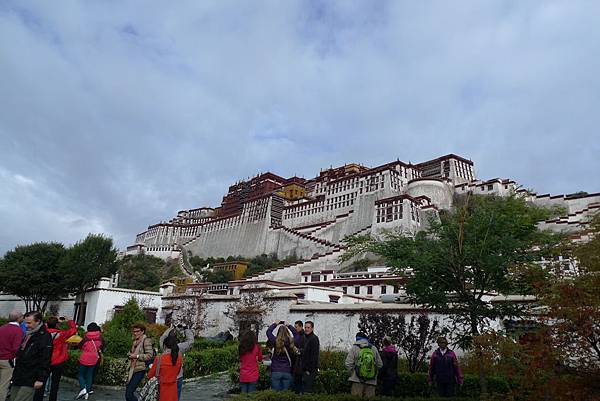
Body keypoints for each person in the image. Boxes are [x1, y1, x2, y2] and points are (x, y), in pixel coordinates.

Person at [9, 311, 52, 401]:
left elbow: (45, 358)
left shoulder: (44, 336)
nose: (26, 325)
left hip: (31, 376)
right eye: (25, 322)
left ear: (38, 321)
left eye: (29, 323)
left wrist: (41, 378)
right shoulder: (29, 333)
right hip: (19, 375)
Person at [33, 316, 77, 401]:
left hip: (45, 360)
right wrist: (69, 321)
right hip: (58, 361)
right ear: (57, 324)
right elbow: (73, 330)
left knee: (41, 381)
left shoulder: (43, 334)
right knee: (55, 384)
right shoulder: (62, 334)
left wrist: (51, 322)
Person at [159, 324, 194, 400]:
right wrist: (186, 329)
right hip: (178, 377)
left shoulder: (163, 347)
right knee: (175, 398)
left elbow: (163, 337)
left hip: (165, 377)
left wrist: (171, 328)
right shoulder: (180, 347)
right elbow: (190, 341)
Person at [344, 331, 383, 398]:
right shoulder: (373, 348)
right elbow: (380, 364)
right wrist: (372, 373)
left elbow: (348, 363)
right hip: (371, 382)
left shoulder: (355, 347)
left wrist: (353, 373)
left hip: (357, 381)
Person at [266, 321, 298, 391]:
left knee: (276, 394)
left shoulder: (275, 341)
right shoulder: (291, 342)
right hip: (287, 371)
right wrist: (289, 326)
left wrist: (275, 324)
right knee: (285, 394)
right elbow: (296, 335)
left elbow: (268, 332)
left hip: (276, 370)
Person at [147, 336, 182, 401]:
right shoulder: (179, 359)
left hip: (162, 390)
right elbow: (177, 373)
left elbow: (150, 375)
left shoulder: (159, 359)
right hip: (173, 390)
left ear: (164, 346)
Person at [125, 323, 154, 401]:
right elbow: (133, 353)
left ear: (142, 331)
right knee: (128, 393)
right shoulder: (135, 342)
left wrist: (136, 356)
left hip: (141, 369)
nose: (135, 333)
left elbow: (149, 355)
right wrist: (130, 354)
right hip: (133, 369)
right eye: (134, 331)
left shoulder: (146, 341)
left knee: (129, 394)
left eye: (137, 331)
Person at [0, 311, 23, 401]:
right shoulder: (18, 330)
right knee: (4, 385)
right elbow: (16, 348)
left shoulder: (2, 328)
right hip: (7, 360)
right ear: (19, 318)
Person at [76, 323, 102, 400]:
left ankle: (83, 388)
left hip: (85, 358)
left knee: (81, 375)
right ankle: (87, 392)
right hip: (94, 358)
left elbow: (80, 346)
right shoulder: (100, 337)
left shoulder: (86, 337)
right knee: (89, 375)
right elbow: (102, 346)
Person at [300, 321, 319, 394]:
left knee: (307, 392)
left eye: (308, 327)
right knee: (304, 391)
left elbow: (314, 356)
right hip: (305, 369)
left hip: (310, 371)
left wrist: (309, 370)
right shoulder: (306, 337)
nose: (306, 329)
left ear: (312, 328)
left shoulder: (314, 339)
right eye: (305, 327)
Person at [290, 321, 305, 394]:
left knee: (298, 384)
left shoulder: (302, 336)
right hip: (296, 363)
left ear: (301, 327)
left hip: (299, 363)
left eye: (296, 327)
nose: (295, 329)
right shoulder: (299, 336)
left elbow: (302, 350)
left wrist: (296, 350)